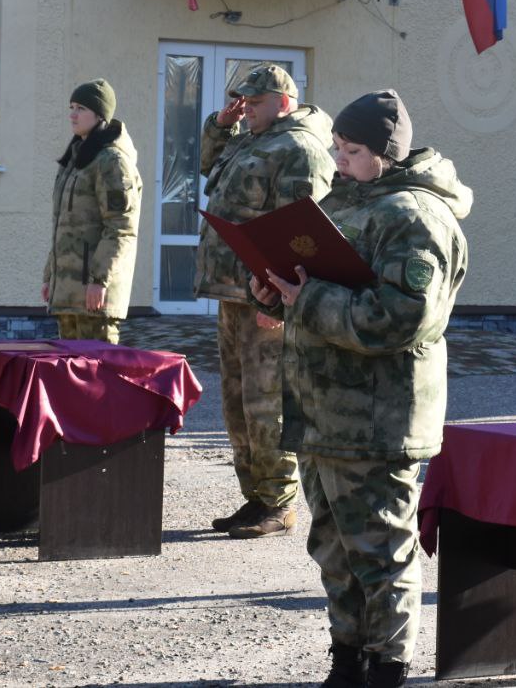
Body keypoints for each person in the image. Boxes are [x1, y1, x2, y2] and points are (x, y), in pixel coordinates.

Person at [251, 90, 470, 688]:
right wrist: (275, 289)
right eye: (338, 149)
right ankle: (348, 658)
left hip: (377, 418)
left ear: (385, 154)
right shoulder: (347, 201)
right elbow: (318, 279)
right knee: (334, 549)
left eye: (350, 151)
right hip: (324, 413)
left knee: (379, 552)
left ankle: (387, 668)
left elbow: (403, 317)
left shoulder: (416, 216)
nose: (338, 161)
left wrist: (310, 299)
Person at [196, 63, 334, 539]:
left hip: (265, 299)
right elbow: (207, 168)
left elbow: (303, 231)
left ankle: (278, 501)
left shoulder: (299, 148)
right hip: (235, 293)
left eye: (255, 103)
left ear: (284, 102)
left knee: (266, 401)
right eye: (244, 102)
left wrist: (276, 297)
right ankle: (255, 496)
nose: (247, 109)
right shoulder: (250, 138)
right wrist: (221, 126)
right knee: (236, 401)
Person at [41, 79, 142, 343]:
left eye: (81, 108)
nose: (72, 114)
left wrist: (100, 280)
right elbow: (63, 226)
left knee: (96, 378)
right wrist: (50, 276)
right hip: (68, 293)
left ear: (100, 115)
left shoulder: (112, 161)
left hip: (94, 295)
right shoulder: (75, 158)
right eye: (71, 107)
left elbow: (120, 228)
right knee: (70, 377)